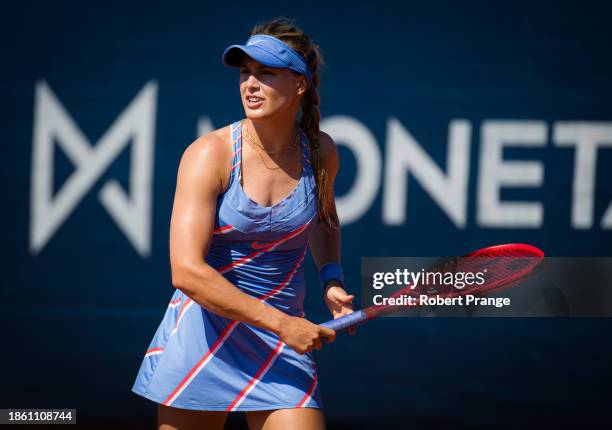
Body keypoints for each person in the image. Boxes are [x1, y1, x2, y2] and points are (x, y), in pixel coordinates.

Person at [132, 17, 355, 430]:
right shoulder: (208, 154)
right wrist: (282, 323)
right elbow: (186, 272)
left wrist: (331, 277)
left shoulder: (322, 152)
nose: (250, 84)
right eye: (244, 73)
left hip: (279, 346)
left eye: (266, 73)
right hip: (203, 338)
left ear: (300, 84)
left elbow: (324, 220)